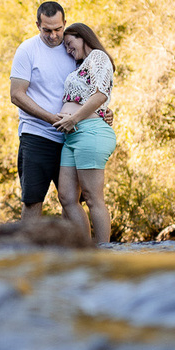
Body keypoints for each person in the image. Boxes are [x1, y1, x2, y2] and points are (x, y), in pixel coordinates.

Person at [9, 2, 112, 227]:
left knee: (71, 200)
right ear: (37, 25)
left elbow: (91, 89)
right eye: (47, 30)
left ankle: (79, 255)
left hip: (73, 135)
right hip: (38, 135)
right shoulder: (27, 50)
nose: (53, 35)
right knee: (33, 199)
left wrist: (102, 111)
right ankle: (30, 256)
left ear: (64, 23)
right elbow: (16, 95)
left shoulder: (73, 49)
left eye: (58, 29)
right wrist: (51, 119)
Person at [52, 22, 116, 244]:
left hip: (90, 132)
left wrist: (73, 118)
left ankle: (104, 251)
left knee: (92, 197)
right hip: (72, 135)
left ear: (83, 37)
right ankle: (86, 251)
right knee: (67, 197)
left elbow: (100, 95)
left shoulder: (98, 57)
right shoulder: (81, 66)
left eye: (70, 44)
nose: (69, 50)